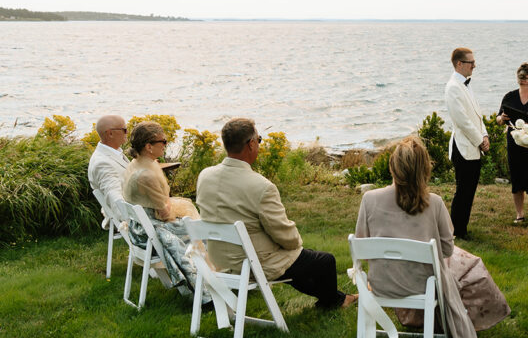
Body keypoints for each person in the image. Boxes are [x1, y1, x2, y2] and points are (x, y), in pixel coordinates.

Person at [355, 137, 511, 338]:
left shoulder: (369, 199)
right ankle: (473, 317)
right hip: (423, 286)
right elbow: (447, 249)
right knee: (468, 266)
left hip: (381, 283)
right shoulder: (434, 203)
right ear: (424, 169)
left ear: (393, 166)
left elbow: (362, 248)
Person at [196, 118, 357, 310]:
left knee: (300, 261)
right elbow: (284, 234)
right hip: (252, 263)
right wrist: (296, 243)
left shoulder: (205, 176)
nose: (259, 144)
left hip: (220, 260)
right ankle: (333, 302)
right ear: (251, 144)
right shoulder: (261, 186)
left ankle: (338, 298)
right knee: (324, 261)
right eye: (259, 140)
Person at [121, 120, 205, 291]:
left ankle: (206, 275)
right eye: (163, 141)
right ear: (149, 147)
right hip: (149, 233)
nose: (166, 145)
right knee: (204, 229)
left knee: (192, 217)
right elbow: (165, 213)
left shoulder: (136, 163)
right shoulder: (146, 175)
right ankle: (210, 279)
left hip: (139, 226)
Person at [444, 47, 489, 239]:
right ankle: (457, 231)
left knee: (469, 190)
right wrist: (480, 141)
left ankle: (461, 227)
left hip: (474, 145)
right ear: (459, 64)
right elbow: (462, 121)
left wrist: (485, 135)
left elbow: (476, 115)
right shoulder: (453, 87)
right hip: (463, 147)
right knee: (463, 191)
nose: (474, 65)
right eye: (471, 62)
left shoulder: (466, 85)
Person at [496, 63, 528, 224]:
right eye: (522, 78)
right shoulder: (509, 96)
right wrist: (501, 119)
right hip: (514, 141)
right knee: (517, 177)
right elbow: (498, 118)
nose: (525, 81)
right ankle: (519, 214)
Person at [87, 114, 130, 205]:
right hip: (132, 213)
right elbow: (114, 196)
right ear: (110, 133)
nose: (127, 132)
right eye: (124, 130)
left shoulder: (114, 152)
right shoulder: (102, 163)